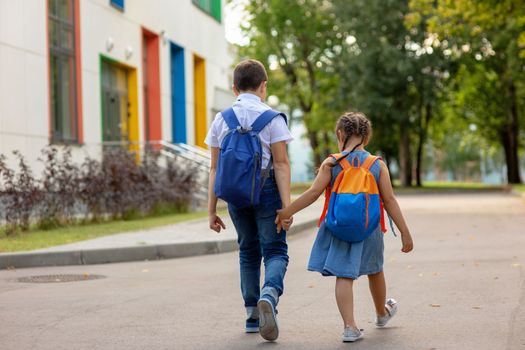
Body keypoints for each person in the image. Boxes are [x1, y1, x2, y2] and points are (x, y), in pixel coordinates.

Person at [275, 111, 414, 343]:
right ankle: (381, 313)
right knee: (375, 270)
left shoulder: (331, 163)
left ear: (340, 134)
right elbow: (389, 201)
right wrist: (405, 233)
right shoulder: (377, 165)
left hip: (338, 227)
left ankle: (350, 327)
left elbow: (313, 193)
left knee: (344, 275)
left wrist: (286, 211)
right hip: (370, 229)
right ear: (366, 138)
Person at [205, 59, 293, 342]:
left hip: (235, 194)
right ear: (263, 87)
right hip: (267, 192)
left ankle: (252, 313)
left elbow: (215, 168)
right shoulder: (273, 119)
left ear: (234, 88)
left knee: (247, 250)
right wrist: (287, 207)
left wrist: (211, 210)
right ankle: (270, 293)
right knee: (276, 250)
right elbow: (281, 164)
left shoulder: (222, 119)